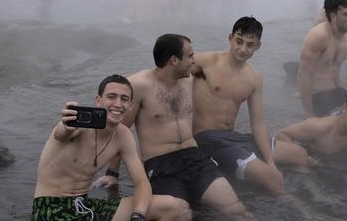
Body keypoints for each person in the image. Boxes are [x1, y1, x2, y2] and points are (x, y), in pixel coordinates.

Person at [100, 35, 252, 220]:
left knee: (236, 211)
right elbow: (119, 130)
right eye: (190, 56)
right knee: (182, 215)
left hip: (195, 159)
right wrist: (112, 173)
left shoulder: (188, 80)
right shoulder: (139, 85)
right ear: (173, 60)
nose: (195, 61)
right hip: (161, 165)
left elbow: (222, 64)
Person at [32, 74, 188, 221]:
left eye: (124, 98)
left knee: (176, 207)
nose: (118, 104)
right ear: (98, 101)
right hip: (50, 207)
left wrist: (138, 215)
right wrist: (66, 125)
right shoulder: (77, 125)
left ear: (131, 105)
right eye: (111, 97)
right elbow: (60, 134)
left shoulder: (123, 136)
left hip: (85, 206)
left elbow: (142, 184)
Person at [192, 17, 285, 195]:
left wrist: (270, 162)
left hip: (232, 137)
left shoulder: (254, 78)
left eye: (250, 45)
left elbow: (258, 123)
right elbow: (168, 72)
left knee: (299, 154)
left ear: (258, 46)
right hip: (207, 139)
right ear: (230, 38)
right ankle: (298, 208)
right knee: (273, 179)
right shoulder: (204, 62)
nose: (242, 49)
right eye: (239, 41)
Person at [272, 87, 347, 172]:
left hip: (338, 165)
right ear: (345, 108)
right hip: (316, 160)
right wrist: (304, 157)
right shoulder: (319, 127)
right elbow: (281, 134)